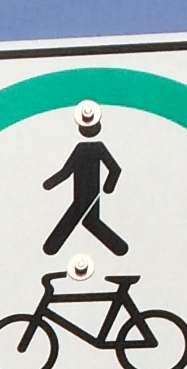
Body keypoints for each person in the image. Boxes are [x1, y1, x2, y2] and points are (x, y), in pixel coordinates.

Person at [39, 104, 128, 258]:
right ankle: (120, 248)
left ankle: (51, 248)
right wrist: (49, 184)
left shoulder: (98, 148)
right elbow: (66, 171)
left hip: (91, 195)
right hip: (80, 194)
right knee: (90, 221)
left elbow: (115, 169)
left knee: (80, 219)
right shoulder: (81, 148)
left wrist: (108, 187)